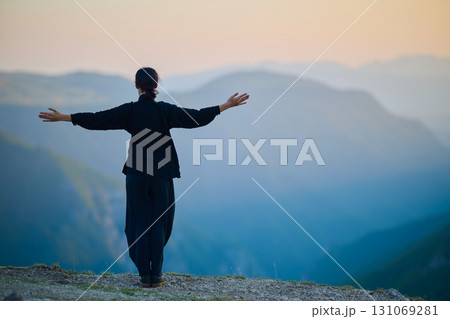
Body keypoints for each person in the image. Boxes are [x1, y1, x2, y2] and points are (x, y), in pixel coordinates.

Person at [38, 67, 249, 288]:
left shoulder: (129, 111)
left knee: (138, 222)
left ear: (136, 86)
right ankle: (155, 276)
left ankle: (143, 275)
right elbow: (195, 117)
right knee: (159, 224)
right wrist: (225, 106)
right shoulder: (165, 111)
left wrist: (65, 117)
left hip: (136, 174)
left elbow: (98, 119)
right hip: (161, 174)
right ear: (157, 86)